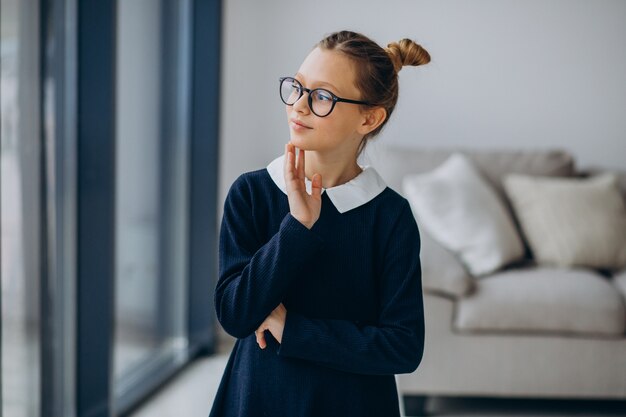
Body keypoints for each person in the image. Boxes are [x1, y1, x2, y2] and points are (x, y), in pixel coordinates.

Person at [209, 30, 431, 417]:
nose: (299, 105)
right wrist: (296, 228)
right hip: (259, 400)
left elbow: (403, 346)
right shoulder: (250, 193)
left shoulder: (390, 217)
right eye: (297, 87)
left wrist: (293, 329)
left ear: (369, 117)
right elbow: (235, 314)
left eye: (323, 96)